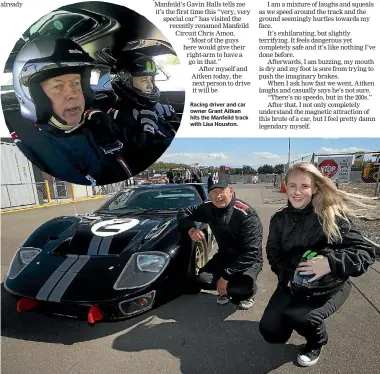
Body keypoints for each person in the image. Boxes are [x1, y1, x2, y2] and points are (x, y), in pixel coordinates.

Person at [259, 162, 376, 367]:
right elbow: (273, 254)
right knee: (270, 331)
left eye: (304, 186)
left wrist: (329, 262)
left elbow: (365, 252)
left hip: (330, 287)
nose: (298, 192)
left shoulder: (331, 214)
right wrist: (286, 277)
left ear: (314, 189)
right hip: (293, 283)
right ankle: (292, 316)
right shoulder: (279, 218)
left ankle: (316, 341)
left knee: (302, 317)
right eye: (292, 185)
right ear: (285, 186)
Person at [12, 36, 131, 185]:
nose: (73, 94)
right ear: (33, 94)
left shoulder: (99, 124)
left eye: (76, 83)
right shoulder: (25, 146)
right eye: (58, 86)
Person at [177, 172, 263, 309]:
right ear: (209, 193)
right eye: (213, 191)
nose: (218, 196)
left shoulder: (246, 214)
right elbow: (183, 212)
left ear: (230, 190)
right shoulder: (208, 207)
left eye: (221, 190)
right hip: (225, 256)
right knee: (202, 279)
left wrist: (226, 276)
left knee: (242, 289)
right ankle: (226, 288)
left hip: (247, 260)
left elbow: (252, 252)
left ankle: (247, 292)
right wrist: (191, 229)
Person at [107, 51, 180, 173]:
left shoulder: (156, 108)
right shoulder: (119, 117)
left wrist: (172, 121)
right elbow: (139, 157)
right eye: (143, 80)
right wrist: (141, 133)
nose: (150, 85)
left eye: (151, 79)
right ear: (126, 81)